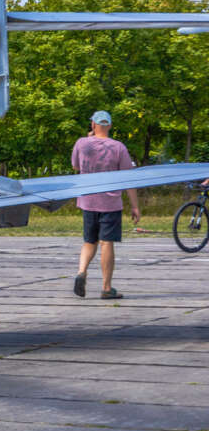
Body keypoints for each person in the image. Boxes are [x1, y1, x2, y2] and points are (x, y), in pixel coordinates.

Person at [71, 110, 140, 300]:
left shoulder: (81, 144)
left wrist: (87, 139)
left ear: (93, 124)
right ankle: (106, 288)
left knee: (89, 241)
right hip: (110, 202)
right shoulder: (118, 147)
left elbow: (76, 167)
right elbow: (128, 179)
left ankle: (81, 271)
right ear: (109, 126)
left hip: (87, 200)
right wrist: (135, 206)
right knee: (107, 243)